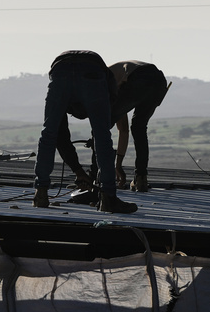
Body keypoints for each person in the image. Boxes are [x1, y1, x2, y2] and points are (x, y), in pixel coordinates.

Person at [33, 50, 135, 214]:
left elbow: (58, 137)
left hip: (61, 70)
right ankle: (108, 198)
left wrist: (80, 172)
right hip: (91, 70)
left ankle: (41, 193)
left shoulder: (64, 96)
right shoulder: (104, 89)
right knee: (102, 136)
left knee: (48, 133)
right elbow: (102, 129)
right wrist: (80, 172)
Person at [109, 61, 170, 193]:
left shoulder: (104, 80)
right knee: (138, 127)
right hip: (158, 80)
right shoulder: (116, 77)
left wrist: (117, 166)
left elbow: (122, 129)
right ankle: (141, 178)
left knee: (103, 125)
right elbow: (123, 130)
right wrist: (118, 165)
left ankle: (97, 175)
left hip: (137, 77)